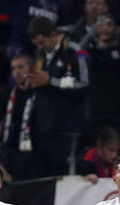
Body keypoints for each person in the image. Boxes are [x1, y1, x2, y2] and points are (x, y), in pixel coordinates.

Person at [26, 16, 90, 177]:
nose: (39, 47)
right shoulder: (40, 54)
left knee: (64, 176)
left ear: (53, 34)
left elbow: (84, 84)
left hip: (67, 130)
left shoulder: (74, 51)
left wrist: (51, 81)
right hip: (44, 128)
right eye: (36, 44)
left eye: (41, 42)